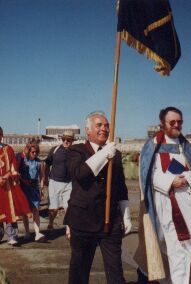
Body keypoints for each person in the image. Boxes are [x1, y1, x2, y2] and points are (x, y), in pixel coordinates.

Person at [135, 106, 191, 284]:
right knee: (173, 250)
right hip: (165, 204)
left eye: (179, 122)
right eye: (172, 122)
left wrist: (185, 178)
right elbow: (147, 176)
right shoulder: (152, 145)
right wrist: (170, 182)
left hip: (189, 203)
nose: (177, 125)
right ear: (162, 123)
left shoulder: (185, 146)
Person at [64, 111, 131, 284]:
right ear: (88, 130)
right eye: (99, 125)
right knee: (79, 270)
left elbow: (121, 186)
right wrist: (103, 154)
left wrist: (126, 214)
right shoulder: (75, 150)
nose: (104, 129)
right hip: (82, 221)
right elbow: (80, 175)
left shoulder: (115, 154)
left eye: (107, 125)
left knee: (115, 270)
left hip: (110, 221)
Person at [44, 130, 74, 230]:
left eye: (68, 140)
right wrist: (45, 178)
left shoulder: (75, 152)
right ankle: (51, 223)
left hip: (69, 183)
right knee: (54, 208)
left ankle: (68, 229)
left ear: (72, 140)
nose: (66, 141)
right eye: (64, 139)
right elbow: (47, 164)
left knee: (68, 207)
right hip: (54, 182)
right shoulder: (55, 150)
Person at [18, 141, 45, 242]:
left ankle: (37, 233)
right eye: (32, 152)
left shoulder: (39, 162)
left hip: (34, 188)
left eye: (36, 152)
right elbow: (18, 173)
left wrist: (41, 188)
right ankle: (27, 232)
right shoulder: (23, 161)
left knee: (36, 210)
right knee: (25, 212)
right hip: (24, 187)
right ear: (28, 151)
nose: (34, 154)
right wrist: (23, 181)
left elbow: (42, 176)